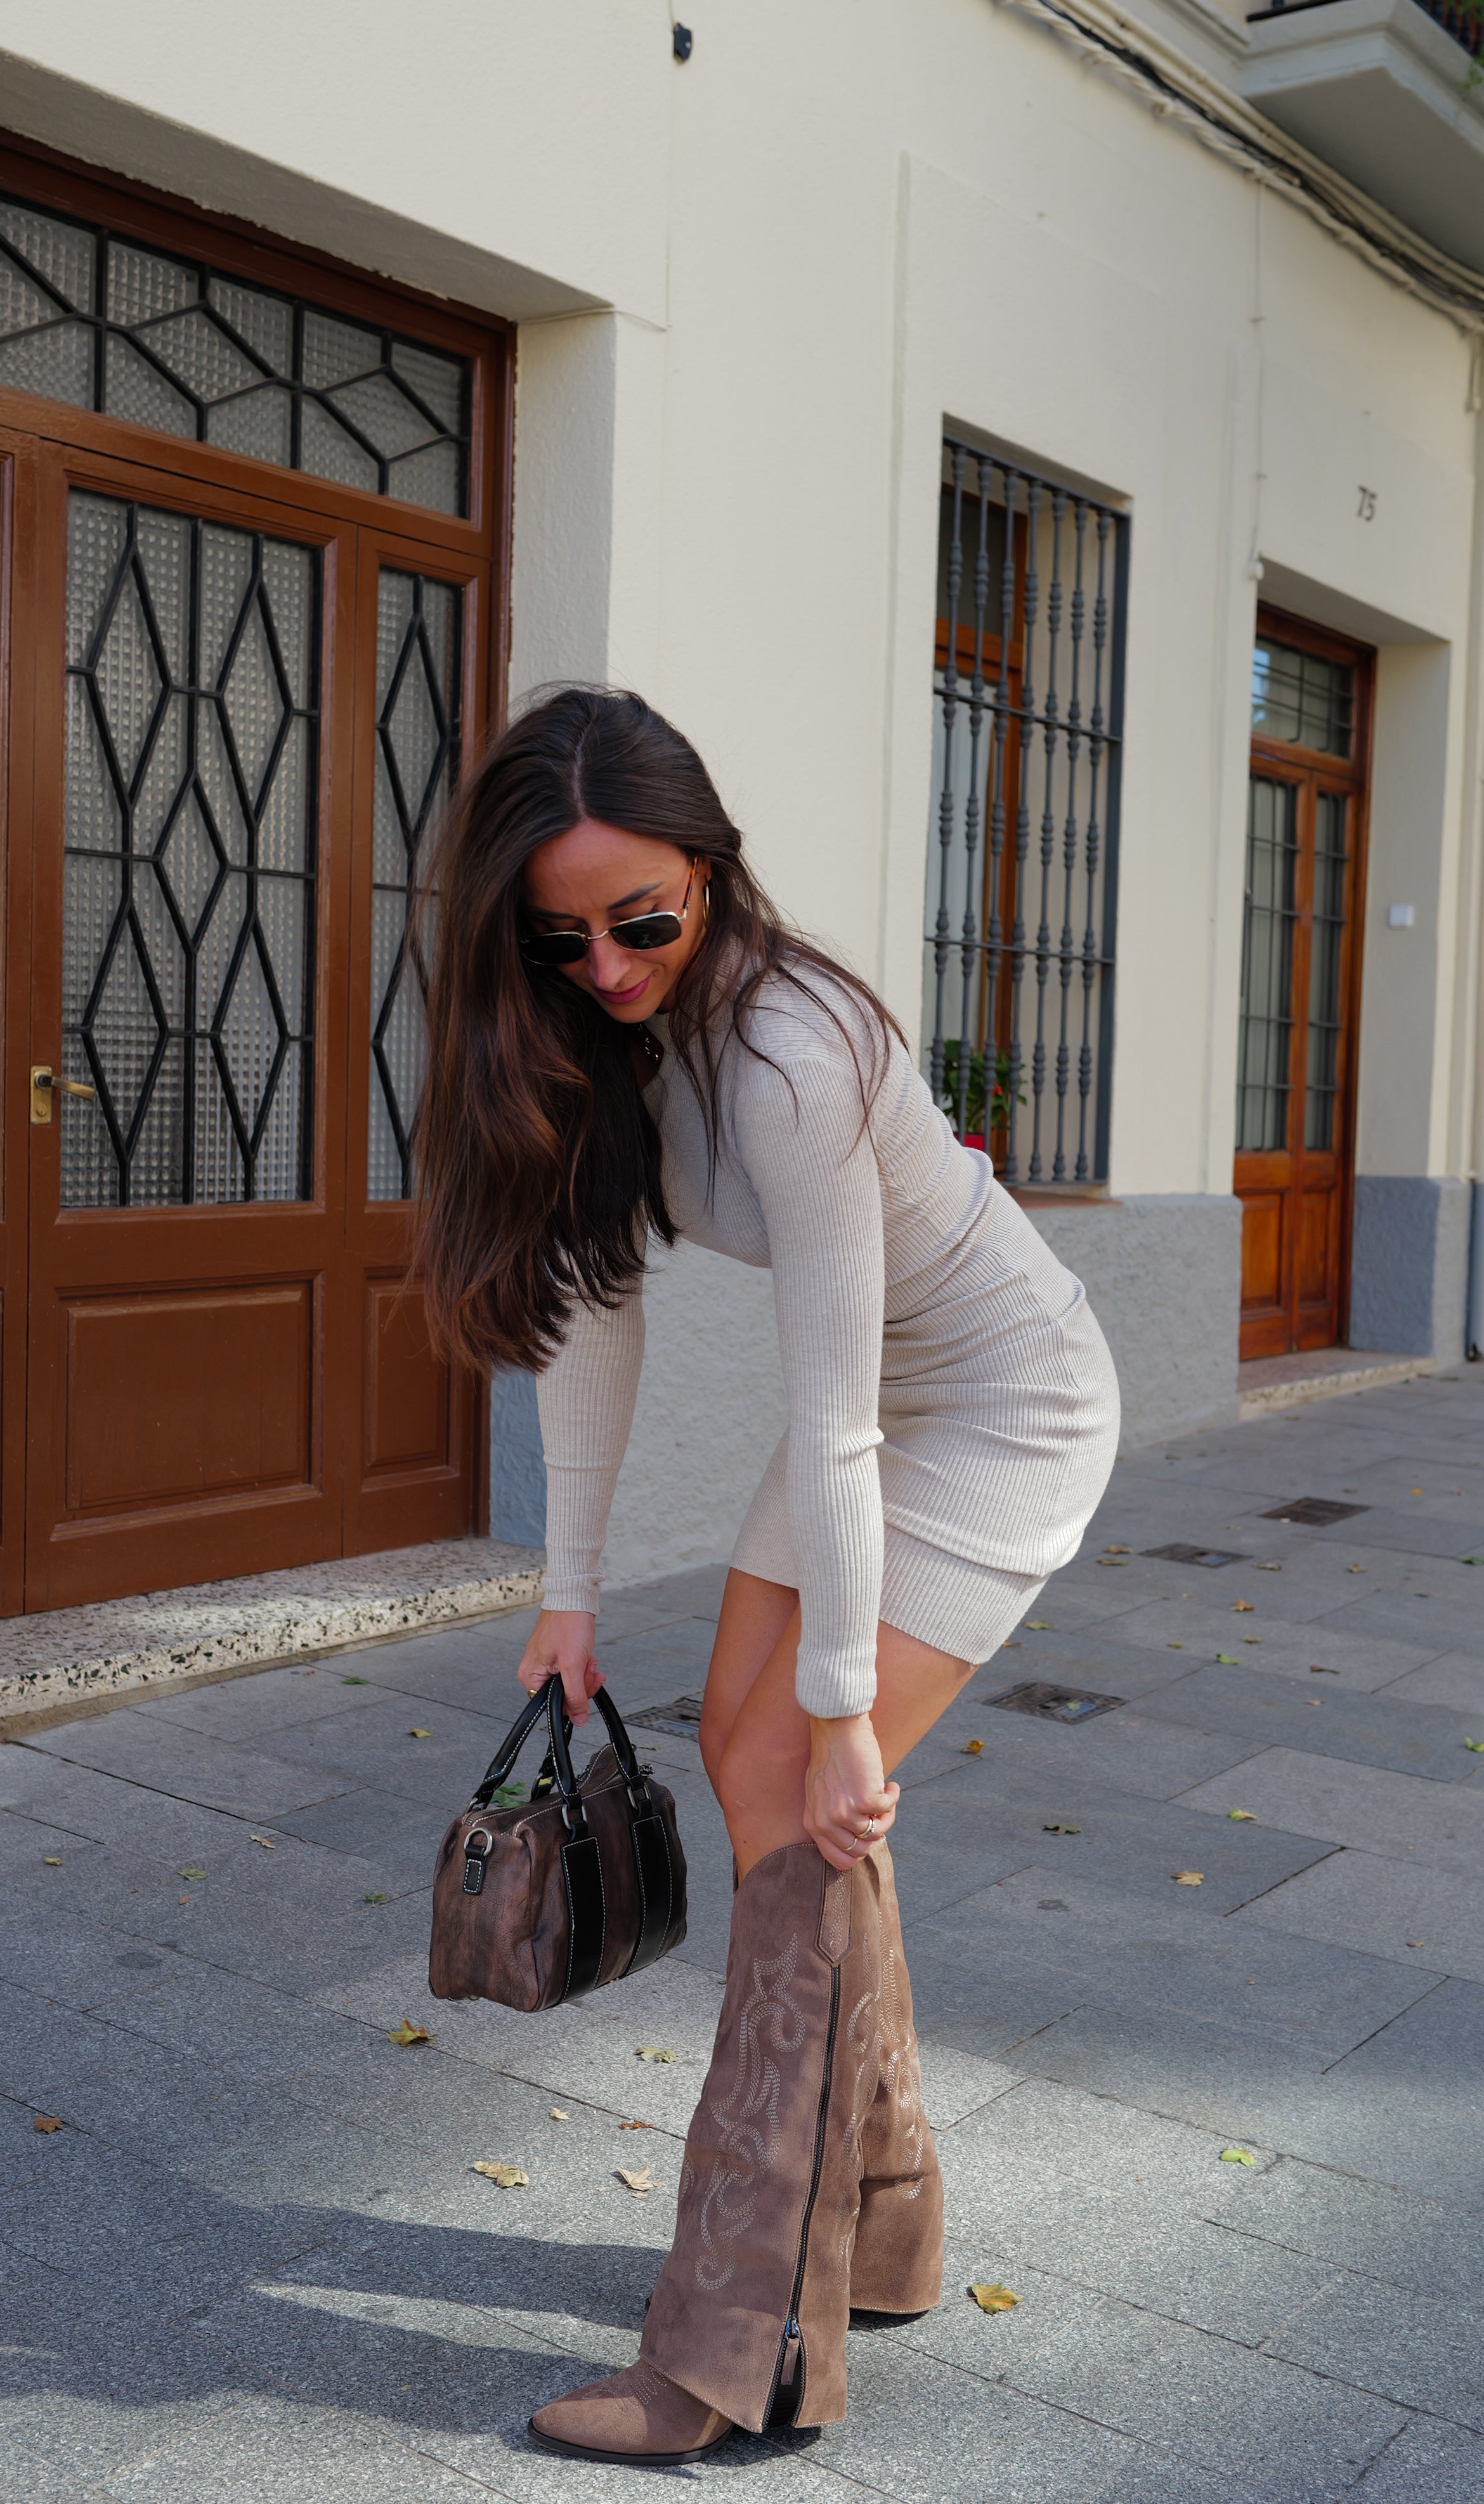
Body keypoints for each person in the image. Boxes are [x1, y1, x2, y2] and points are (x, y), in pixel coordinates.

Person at [415, 689, 1120, 2465]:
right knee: (747, 1770)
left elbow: (835, 1419)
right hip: (872, 1410)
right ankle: (881, 2217)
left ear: (714, 874)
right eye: (561, 933)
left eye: (643, 918)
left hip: (998, 1408)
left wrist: (847, 1714)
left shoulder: (796, 1053)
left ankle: (742, 2350)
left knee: (802, 1800)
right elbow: (588, 1308)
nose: (609, 960)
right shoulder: (595, 1039)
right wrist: (569, 1593)